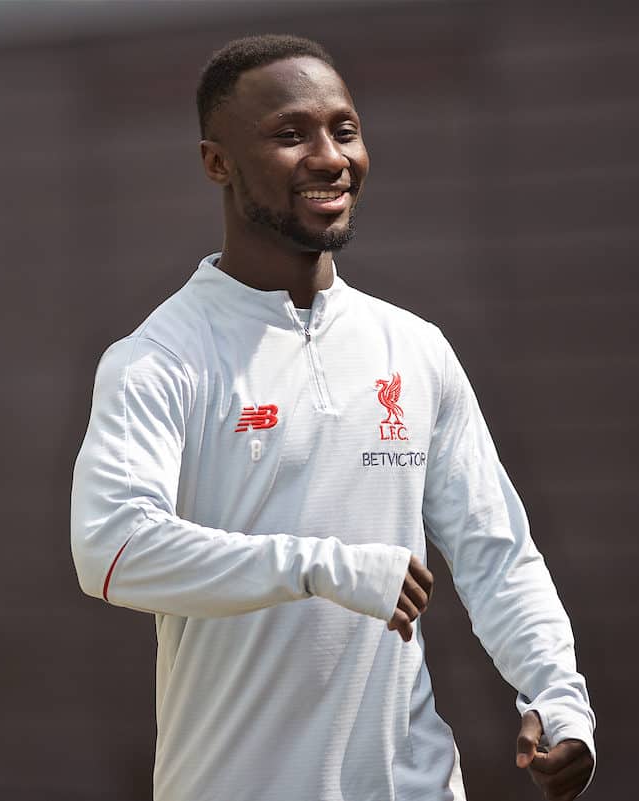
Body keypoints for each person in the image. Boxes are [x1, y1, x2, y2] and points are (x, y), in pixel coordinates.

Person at [70, 34, 596, 801]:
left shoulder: (414, 348)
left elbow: (497, 554)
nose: (329, 156)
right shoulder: (159, 358)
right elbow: (112, 548)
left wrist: (558, 697)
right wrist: (320, 565)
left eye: (343, 129)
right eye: (290, 135)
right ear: (217, 162)